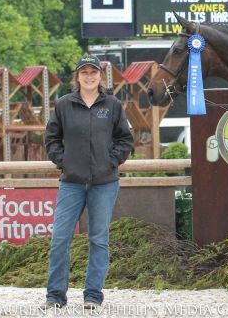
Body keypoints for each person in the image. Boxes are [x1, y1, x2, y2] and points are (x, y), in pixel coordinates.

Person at [43, 54, 133, 310]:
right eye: (84, 72)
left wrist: (111, 161)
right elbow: (51, 139)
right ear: (77, 77)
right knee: (60, 238)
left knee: (98, 239)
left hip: (104, 183)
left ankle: (93, 295)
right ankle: (55, 296)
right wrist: (64, 162)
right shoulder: (63, 105)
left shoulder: (113, 105)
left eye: (94, 72)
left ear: (100, 76)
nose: (89, 76)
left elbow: (125, 140)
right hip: (71, 182)